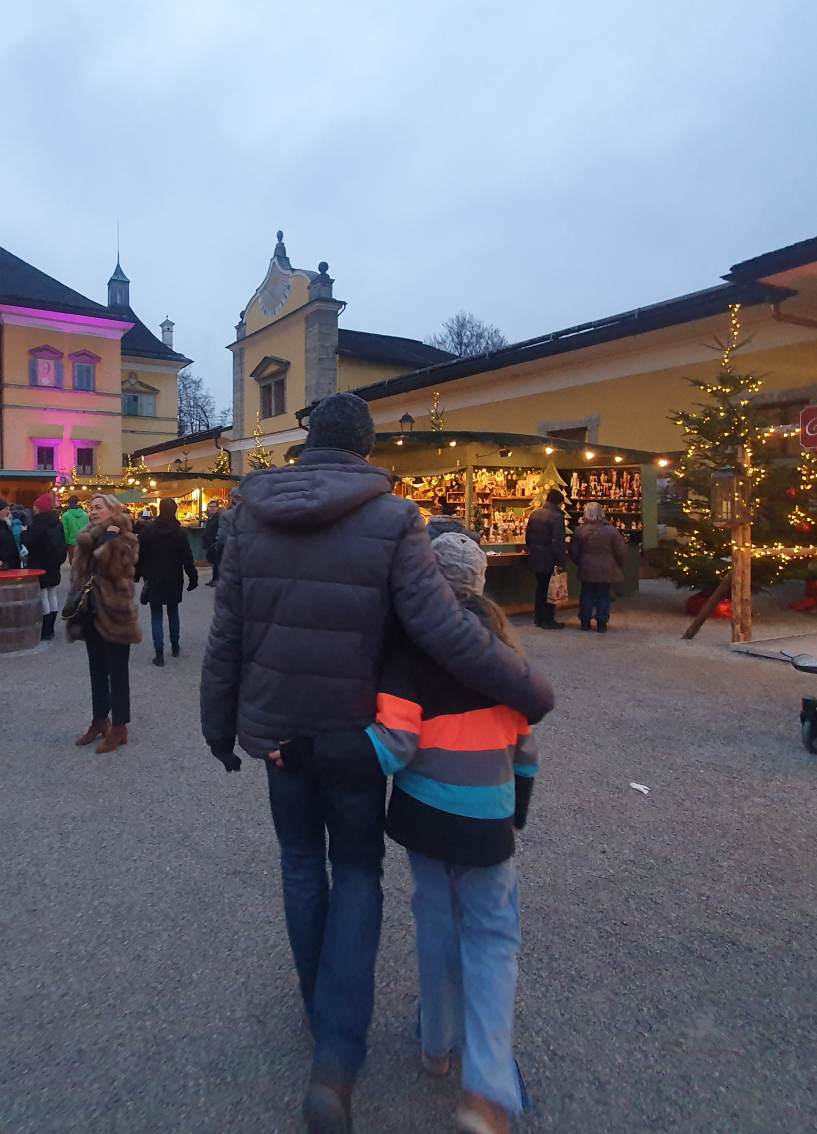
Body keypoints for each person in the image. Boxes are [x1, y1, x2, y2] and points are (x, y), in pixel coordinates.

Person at [200, 392, 554, 1134]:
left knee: (301, 864)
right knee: (356, 870)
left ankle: (315, 1003)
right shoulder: (392, 518)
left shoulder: (248, 515)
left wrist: (217, 726)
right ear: (365, 449)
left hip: (275, 734)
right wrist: (526, 686)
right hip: (354, 733)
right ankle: (336, 1056)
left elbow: (225, 632)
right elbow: (439, 628)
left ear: (308, 441)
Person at [365, 532, 547, 1134]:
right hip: (487, 819)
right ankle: (489, 1088)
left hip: (424, 815)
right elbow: (525, 748)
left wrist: (324, 752)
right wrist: (516, 807)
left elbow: (394, 747)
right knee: (493, 939)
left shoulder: (410, 650)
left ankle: (437, 1041)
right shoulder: (506, 657)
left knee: (436, 923)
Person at [65, 494, 140, 753]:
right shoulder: (87, 535)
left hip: (115, 613)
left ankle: (120, 727)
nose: (93, 512)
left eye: (99, 508)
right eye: (91, 507)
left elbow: (116, 568)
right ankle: (99, 720)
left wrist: (109, 535)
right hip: (91, 612)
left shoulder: (123, 535)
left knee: (117, 673)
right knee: (96, 669)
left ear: (113, 510)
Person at [135, 497, 199, 666]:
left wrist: (136, 574)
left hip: (153, 576)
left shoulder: (148, 531)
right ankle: (175, 645)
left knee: (156, 615)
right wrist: (193, 577)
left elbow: (140, 556)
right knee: (173, 611)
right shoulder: (180, 533)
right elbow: (187, 557)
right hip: (174, 577)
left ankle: (159, 652)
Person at [570, 501, 628, 632]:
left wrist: (580, 562)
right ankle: (602, 623)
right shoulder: (612, 531)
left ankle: (585, 622)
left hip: (586, 567)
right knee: (603, 595)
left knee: (586, 594)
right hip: (606, 568)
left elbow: (574, 551)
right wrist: (619, 564)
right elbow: (620, 551)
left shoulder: (579, 531)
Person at [23, 493, 69, 640]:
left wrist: (24, 533)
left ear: (40, 508)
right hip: (54, 563)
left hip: (40, 563)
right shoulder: (57, 522)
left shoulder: (38, 523)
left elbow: (30, 542)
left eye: (35, 506)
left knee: (43, 595)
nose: (33, 509)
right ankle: (51, 628)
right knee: (52, 594)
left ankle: (45, 629)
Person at [524, 489, 569, 630]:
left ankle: (538, 617)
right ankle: (548, 619)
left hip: (536, 557)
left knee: (541, 588)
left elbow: (528, 537)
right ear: (559, 502)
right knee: (551, 590)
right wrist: (560, 562)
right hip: (549, 558)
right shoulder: (557, 517)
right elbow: (558, 541)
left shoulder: (535, 514)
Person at [201, 499, 225, 585]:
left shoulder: (219, 518)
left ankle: (217, 579)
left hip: (215, 541)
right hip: (210, 541)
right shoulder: (211, 517)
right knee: (214, 562)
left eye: (213, 507)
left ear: (217, 507)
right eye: (210, 507)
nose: (211, 509)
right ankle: (214, 579)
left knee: (216, 562)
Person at [61, 495, 89, 566]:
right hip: (83, 541)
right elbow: (88, 527)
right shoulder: (85, 514)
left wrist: (66, 541)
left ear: (68, 503)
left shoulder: (66, 515)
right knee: (83, 559)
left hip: (72, 541)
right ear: (78, 502)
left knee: (73, 560)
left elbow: (65, 530)